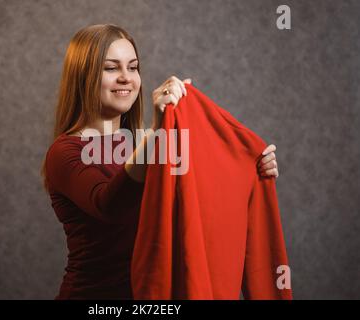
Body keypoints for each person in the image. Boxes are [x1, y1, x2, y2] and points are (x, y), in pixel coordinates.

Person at [41, 24, 279, 300]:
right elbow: (109, 204)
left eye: (133, 67)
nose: (126, 78)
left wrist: (252, 169)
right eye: (110, 68)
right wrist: (156, 132)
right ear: (83, 76)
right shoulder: (64, 152)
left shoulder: (149, 145)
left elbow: (202, 198)